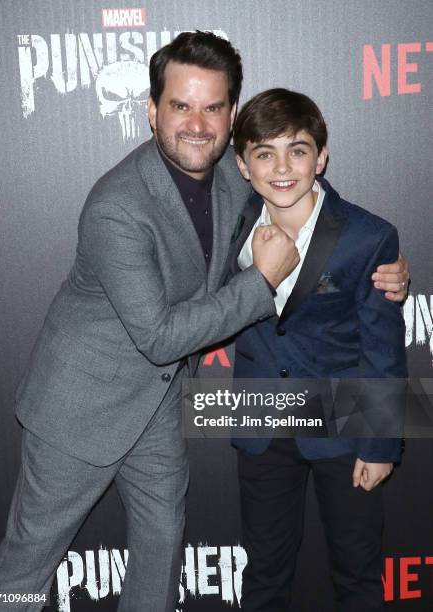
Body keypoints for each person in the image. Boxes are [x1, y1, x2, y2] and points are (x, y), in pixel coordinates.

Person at [0, 33, 407, 611]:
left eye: (213, 107)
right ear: (152, 109)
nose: (198, 123)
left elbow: (319, 210)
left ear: (232, 117)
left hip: (159, 404)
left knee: (160, 549)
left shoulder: (238, 178)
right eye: (181, 105)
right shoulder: (117, 206)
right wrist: (261, 283)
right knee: (27, 562)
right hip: (78, 407)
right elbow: (158, 336)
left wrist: (385, 269)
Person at [231, 88, 408, 612]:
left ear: (321, 157)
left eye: (298, 150)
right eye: (265, 153)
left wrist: (380, 445)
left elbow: (383, 348)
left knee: (357, 574)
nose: (282, 167)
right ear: (243, 166)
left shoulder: (368, 236)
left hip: (346, 426)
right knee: (264, 575)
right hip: (260, 422)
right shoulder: (227, 228)